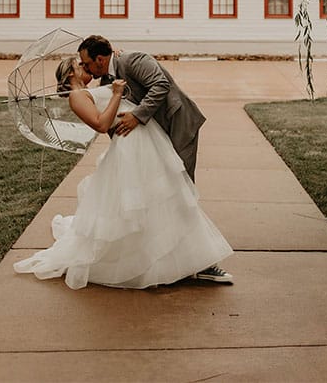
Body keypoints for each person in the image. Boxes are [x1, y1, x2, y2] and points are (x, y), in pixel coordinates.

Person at [13, 56, 233, 290]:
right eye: (81, 66)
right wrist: (116, 93)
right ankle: (180, 262)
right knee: (154, 201)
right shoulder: (77, 97)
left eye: (87, 64)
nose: (86, 68)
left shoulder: (94, 88)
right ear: (70, 75)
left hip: (146, 140)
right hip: (131, 146)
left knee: (165, 199)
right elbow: (100, 123)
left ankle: (190, 260)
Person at [77, 34, 232, 284]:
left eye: (86, 63)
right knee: (158, 198)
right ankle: (170, 260)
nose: (84, 68)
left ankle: (202, 262)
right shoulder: (105, 79)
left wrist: (137, 116)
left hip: (177, 126)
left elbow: (161, 85)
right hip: (152, 141)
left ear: (100, 59)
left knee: (181, 192)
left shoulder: (133, 60)